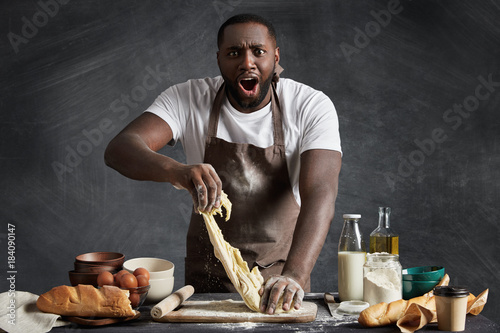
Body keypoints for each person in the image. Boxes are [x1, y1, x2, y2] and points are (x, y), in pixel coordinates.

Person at [104, 13, 342, 314]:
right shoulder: (188, 98)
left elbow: (320, 191)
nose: (247, 63)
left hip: (277, 291)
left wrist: (295, 275)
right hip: (204, 290)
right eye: (233, 53)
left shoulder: (310, 106)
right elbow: (120, 149)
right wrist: (177, 170)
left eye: (258, 51)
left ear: (276, 56)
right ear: (218, 59)